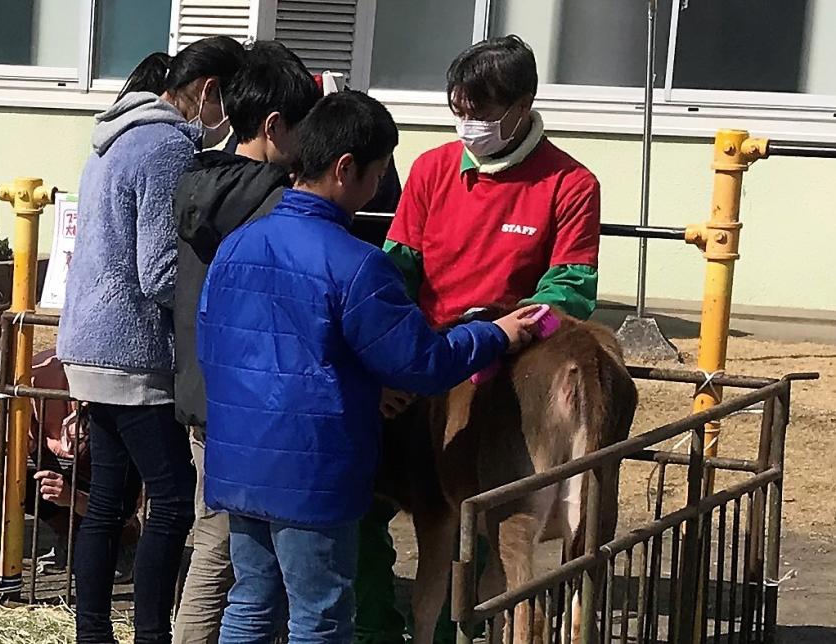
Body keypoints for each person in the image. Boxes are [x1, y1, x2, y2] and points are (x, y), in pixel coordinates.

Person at [197, 90, 541, 644]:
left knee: (252, 602)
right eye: (379, 173)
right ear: (345, 168)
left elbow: (215, 343)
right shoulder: (358, 264)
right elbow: (422, 363)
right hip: (313, 470)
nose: (380, 187)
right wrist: (493, 334)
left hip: (239, 457)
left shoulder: (237, 245)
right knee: (323, 615)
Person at [357, 35, 602, 644]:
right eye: (459, 112)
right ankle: (375, 626)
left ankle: (452, 626)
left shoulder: (570, 184)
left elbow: (570, 290)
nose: (470, 125)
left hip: (501, 375)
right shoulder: (433, 169)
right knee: (364, 505)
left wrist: (501, 329)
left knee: (485, 525)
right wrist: (387, 354)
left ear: (523, 104)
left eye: (484, 113)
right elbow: (398, 268)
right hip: (424, 362)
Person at [55, 36, 244, 644]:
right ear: (209, 90)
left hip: (89, 342)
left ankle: (91, 632)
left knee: (108, 497)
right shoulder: (166, 146)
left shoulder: (113, 138)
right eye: (230, 101)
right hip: (134, 352)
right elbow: (161, 271)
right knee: (170, 500)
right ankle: (151, 634)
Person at [172, 40, 320, 644]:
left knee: (221, 541)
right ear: (274, 125)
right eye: (307, 127)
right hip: (251, 396)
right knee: (225, 551)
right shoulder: (273, 202)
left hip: (202, 390)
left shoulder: (198, 179)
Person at [0, 350, 139, 579]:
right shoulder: (36, 373)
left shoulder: (121, 380)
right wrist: (20, 443)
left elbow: (131, 500)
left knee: (118, 496)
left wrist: (72, 497)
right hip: (56, 458)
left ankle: (124, 541)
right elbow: (19, 440)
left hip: (102, 466)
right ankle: (69, 533)